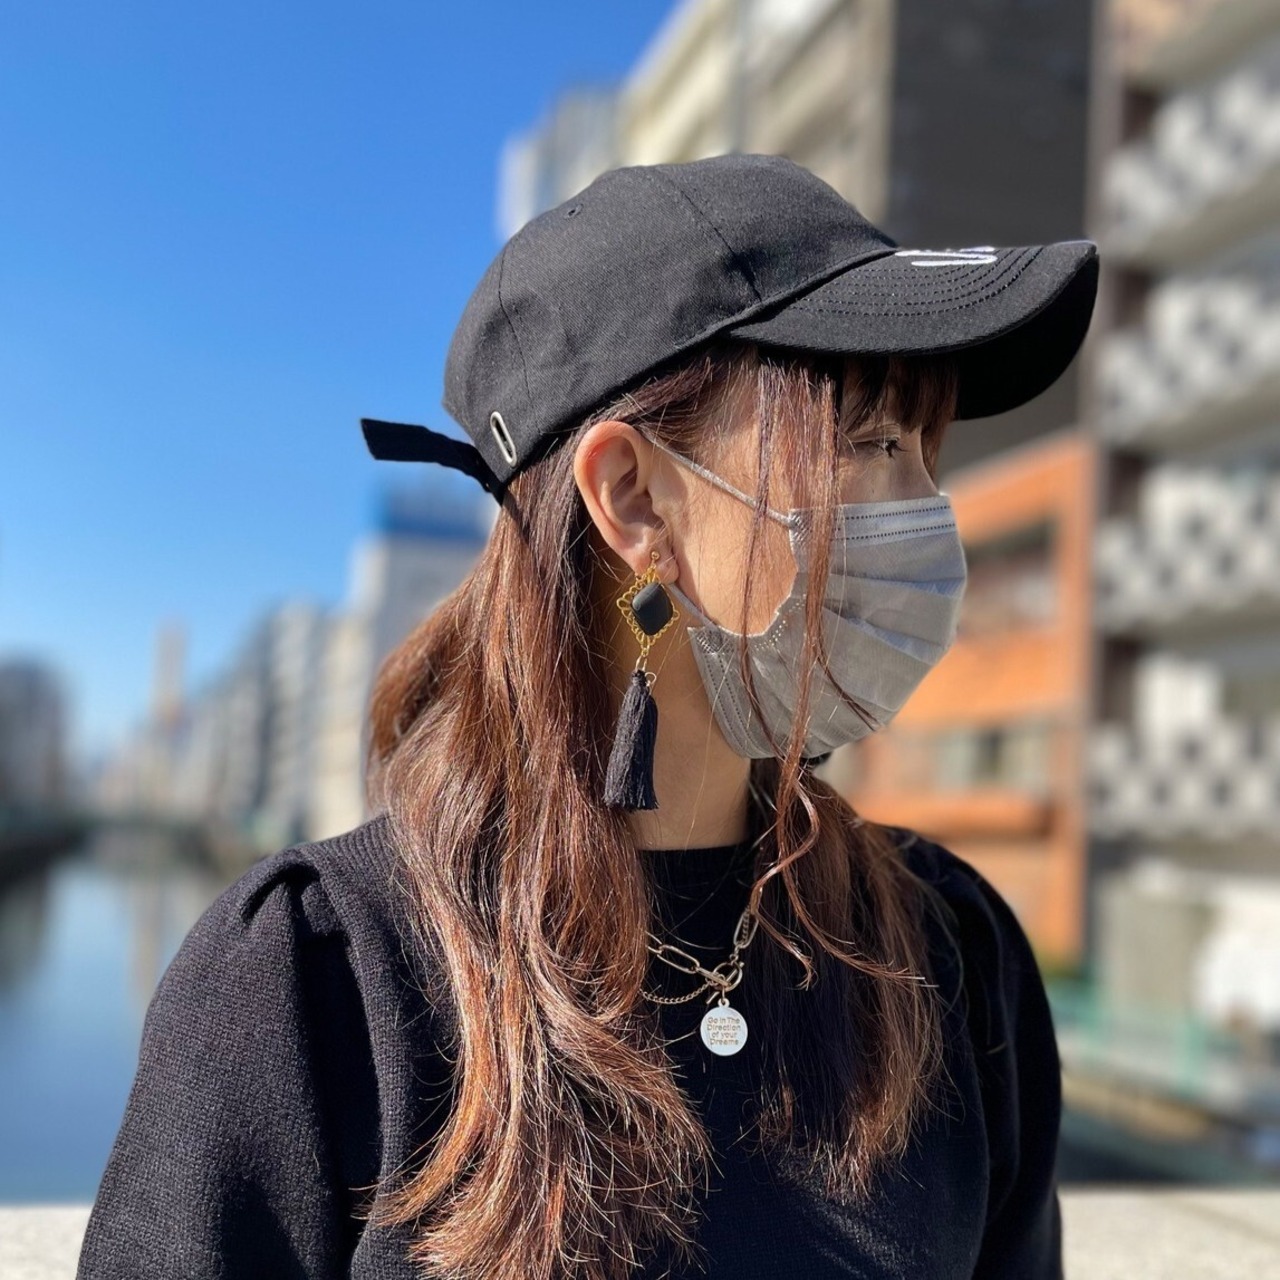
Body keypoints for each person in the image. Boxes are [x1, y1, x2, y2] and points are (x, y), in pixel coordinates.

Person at [77, 153, 1098, 1280]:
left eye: (924, 455)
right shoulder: (315, 983)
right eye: (869, 443)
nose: (926, 516)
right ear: (631, 495)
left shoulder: (949, 956)